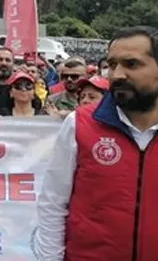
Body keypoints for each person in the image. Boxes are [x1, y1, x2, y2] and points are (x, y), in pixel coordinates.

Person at [34, 27, 158, 261]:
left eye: (131, 64)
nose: (117, 74)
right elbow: (53, 203)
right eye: (112, 65)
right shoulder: (80, 124)